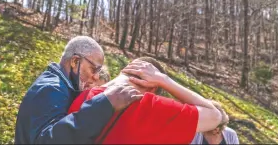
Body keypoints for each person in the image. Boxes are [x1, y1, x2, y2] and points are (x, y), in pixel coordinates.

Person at [14, 36, 144, 144]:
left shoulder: (59, 86)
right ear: (75, 61)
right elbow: (47, 141)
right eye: (94, 69)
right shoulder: (52, 88)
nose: (96, 77)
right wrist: (105, 103)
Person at [68, 57, 222, 144]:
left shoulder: (81, 97)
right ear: (152, 85)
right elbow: (214, 116)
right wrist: (164, 80)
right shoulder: (151, 107)